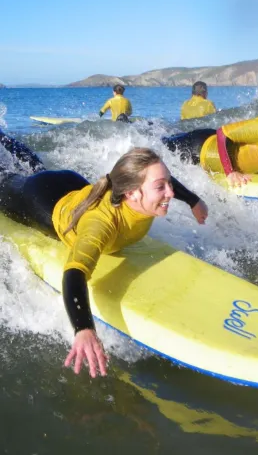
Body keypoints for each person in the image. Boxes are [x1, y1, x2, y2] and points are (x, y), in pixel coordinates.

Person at [0, 141, 208, 378]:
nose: (170, 193)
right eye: (161, 187)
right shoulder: (101, 224)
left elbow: (161, 178)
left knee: (31, 167)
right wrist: (83, 328)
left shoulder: (140, 189)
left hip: (73, 183)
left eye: (168, 184)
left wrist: (193, 201)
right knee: (7, 179)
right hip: (41, 197)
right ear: (131, 192)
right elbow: (74, 273)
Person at [163, 90, 258, 187]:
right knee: (160, 146)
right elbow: (223, 133)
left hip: (205, 145)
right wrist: (230, 172)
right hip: (198, 148)